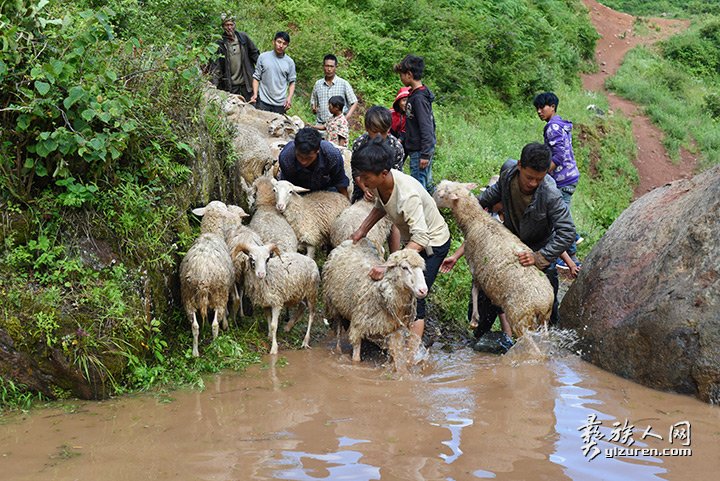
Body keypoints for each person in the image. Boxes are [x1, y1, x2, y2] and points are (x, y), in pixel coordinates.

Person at [440, 143, 575, 350]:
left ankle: (545, 367)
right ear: (520, 165)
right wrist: (465, 204)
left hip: (537, 253)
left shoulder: (550, 194)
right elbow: (487, 199)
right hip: (506, 250)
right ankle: (481, 349)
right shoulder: (508, 173)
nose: (533, 183)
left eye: (539, 178)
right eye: (529, 177)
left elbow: (567, 232)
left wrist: (540, 257)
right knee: (486, 303)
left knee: (548, 316)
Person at [350, 138, 451, 341]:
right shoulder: (381, 184)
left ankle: (413, 354)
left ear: (383, 173)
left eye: (366, 177)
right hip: (413, 240)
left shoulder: (408, 195)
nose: (362, 181)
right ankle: (396, 334)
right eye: (360, 176)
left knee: (416, 296)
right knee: (400, 287)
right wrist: (361, 231)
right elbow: (381, 207)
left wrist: (387, 264)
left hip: (433, 244)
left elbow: (422, 238)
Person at [533, 91, 582, 270]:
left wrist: (543, 174)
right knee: (561, 213)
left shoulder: (552, 127)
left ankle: (568, 255)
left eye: (542, 107)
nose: (539, 111)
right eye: (537, 108)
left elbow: (559, 156)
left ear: (552, 107)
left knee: (557, 218)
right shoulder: (560, 123)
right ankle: (573, 243)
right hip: (570, 176)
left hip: (562, 179)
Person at [394, 55, 436, 192]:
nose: (401, 78)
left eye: (401, 75)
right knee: (425, 184)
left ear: (409, 74)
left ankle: (423, 212)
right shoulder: (414, 94)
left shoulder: (419, 98)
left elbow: (427, 126)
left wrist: (425, 154)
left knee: (419, 188)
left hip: (420, 151)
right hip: (417, 149)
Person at [277, 127, 349, 198]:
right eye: (299, 156)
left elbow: (340, 181)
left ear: (317, 151)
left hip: (325, 189)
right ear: (295, 149)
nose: (303, 162)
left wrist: (346, 203)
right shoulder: (286, 157)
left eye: (308, 158)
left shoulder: (332, 155)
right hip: (297, 189)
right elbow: (286, 185)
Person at [210, 14, 260, 101]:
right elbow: (216, 67)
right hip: (230, 86)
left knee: (252, 108)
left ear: (235, 25)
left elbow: (255, 54)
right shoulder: (220, 43)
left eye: (231, 25)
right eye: (227, 25)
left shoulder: (243, 38)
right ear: (223, 27)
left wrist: (263, 70)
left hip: (247, 84)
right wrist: (214, 86)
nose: (229, 28)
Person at [250, 32, 296, 114]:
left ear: (287, 46)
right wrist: (255, 94)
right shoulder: (263, 57)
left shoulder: (289, 62)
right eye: (279, 42)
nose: (281, 46)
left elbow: (292, 82)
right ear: (273, 42)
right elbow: (256, 77)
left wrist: (289, 98)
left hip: (280, 104)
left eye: (284, 44)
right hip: (263, 102)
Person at [311, 54, 358, 125]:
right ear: (323, 66)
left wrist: (345, 118)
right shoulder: (318, 84)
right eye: (327, 66)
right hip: (321, 125)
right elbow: (313, 102)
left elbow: (354, 102)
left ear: (336, 67)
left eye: (331, 66)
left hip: (338, 126)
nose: (329, 69)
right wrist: (314, 108)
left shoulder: (343, 84)